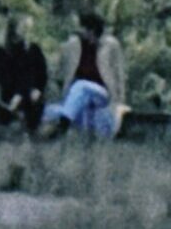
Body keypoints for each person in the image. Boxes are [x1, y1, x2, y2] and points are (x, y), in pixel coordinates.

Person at [44, 10, 126, 139]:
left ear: (91, 30)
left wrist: (119, 101)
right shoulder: (73, 45)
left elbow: (119, 74)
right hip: (77, 95)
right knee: (52, 109)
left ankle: (64, 124)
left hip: (101, 92)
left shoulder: (110, 45)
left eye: (83, 28)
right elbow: (60, 71)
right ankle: (65, 122)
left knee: (82, 86)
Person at [0, 21, 48, 135]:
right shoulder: (1, 52)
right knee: (12, 110)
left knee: (35, 104)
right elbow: (3, 77)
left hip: (29, 92)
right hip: (9, 94)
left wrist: (36, 89)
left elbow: (40, 74)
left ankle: (32, 132)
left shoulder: (33, 49)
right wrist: (19, 94)